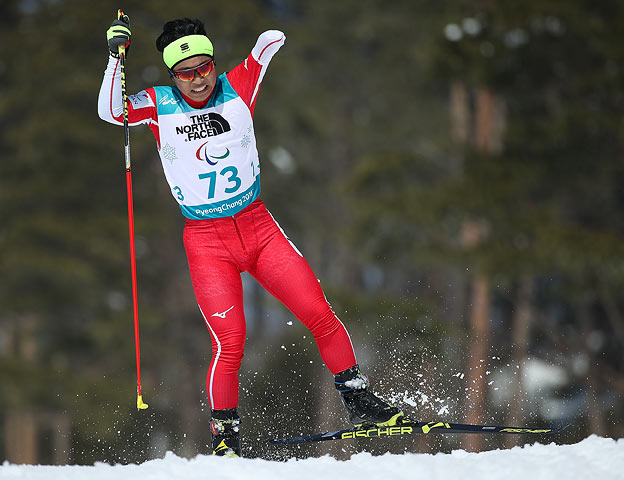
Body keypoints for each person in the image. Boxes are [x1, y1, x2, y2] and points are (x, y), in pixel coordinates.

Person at [99, 13, 406, 457]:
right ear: (173, 76)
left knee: (318, 312)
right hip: (207, 242)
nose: (198, 80)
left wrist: (268, 42)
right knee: (231, 344)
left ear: (213, 64)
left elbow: (263, 51)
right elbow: (111, 111)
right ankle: (225, 439)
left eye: (204, 67)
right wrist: (115, 58)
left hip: (259, 229)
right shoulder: (158, 103)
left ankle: (359, 400)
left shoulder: (237, 86)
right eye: (185, 73)